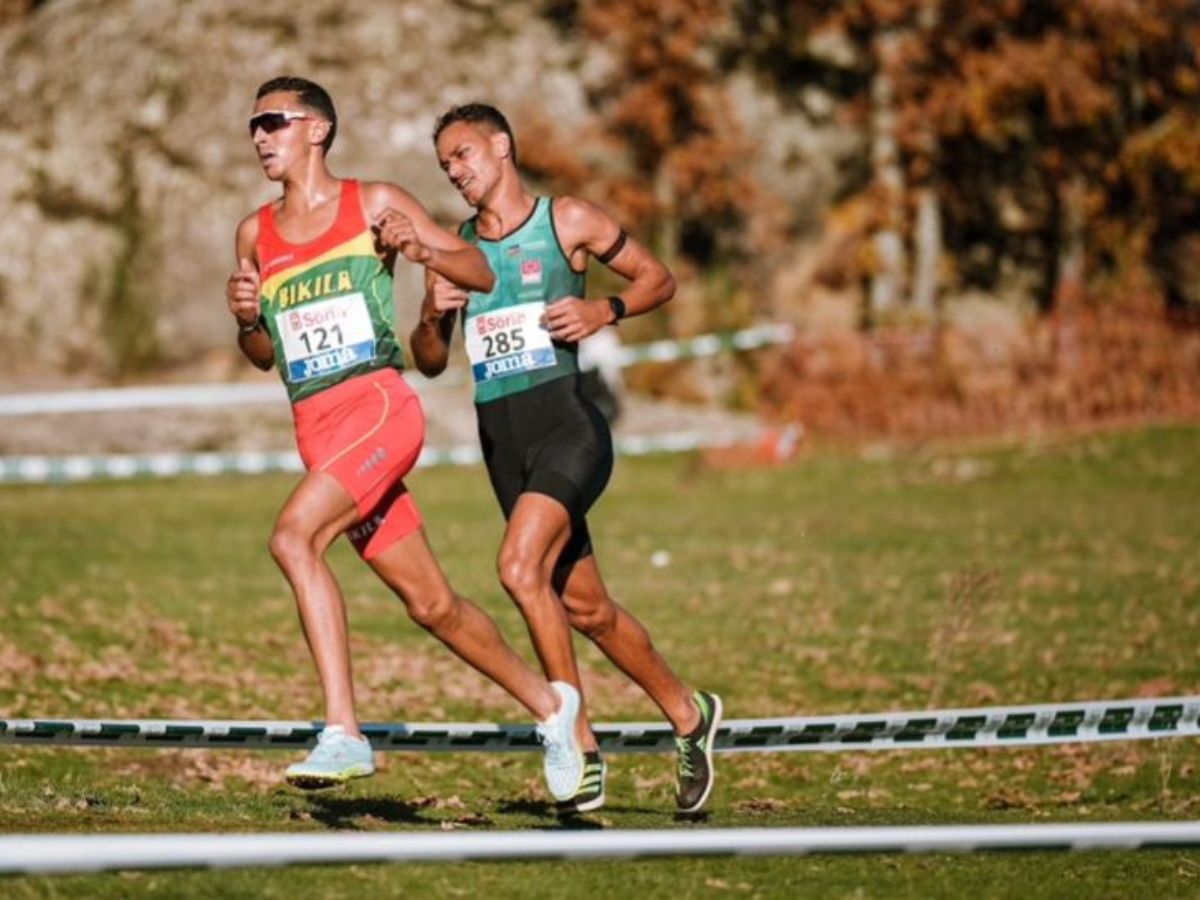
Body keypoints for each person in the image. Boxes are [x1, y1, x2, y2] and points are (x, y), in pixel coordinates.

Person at [224, 77, 583, 801]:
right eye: (254, 127)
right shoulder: (252, 233)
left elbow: (479, 270)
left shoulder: (374, 202)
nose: (261, 137)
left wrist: (419, 245)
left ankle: (343, 733)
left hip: (379, 412)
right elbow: (265, 357)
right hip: (317, 431)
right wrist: (245, 321)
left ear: (318, 129)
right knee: (433, 606)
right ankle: (554, 709)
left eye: (274, 122)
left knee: (294, 539)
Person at [411, 103, 723, 815]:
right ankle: (690, 714)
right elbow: (428, 364)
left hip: (567, 425)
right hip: (503, 444)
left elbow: (659, 279)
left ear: (502, 145)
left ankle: (576, 742)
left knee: (519, 569)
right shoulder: (456, 247)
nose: (456, 172)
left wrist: (601, 312)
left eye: (463, 154)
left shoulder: (568, 221)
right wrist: (432, 313)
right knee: (587, 608)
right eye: (445, 165)